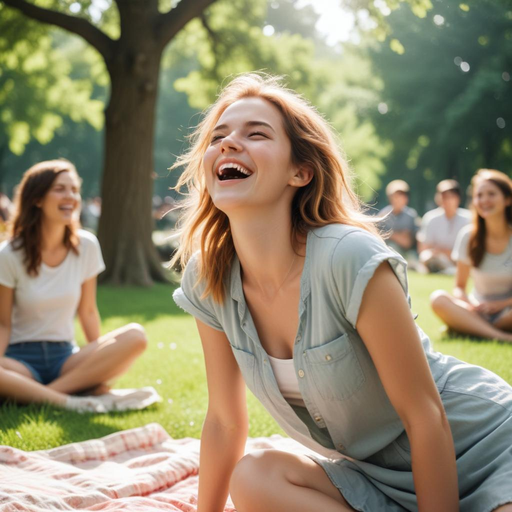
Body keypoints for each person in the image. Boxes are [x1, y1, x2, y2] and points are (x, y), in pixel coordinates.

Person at [171, 74, 512, 512]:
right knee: (254, 476)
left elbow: (425, 414)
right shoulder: (208, 276)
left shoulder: (346, 256)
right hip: (375, 476)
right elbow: (223, 420)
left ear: (301, 171)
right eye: (218, 136)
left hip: (482, 447)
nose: (228, 143)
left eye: (256, 133)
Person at [0, 160, 148, 412]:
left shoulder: (87, 246)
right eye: (60, 189)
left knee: (136, 336)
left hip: (65, 358)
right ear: (37, 199)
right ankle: (71, 399)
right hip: (20, 360)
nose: (70, 196)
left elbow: (88, 312)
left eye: (74, 189)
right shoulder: (9, 254)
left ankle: (43, 395)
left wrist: (100, 361)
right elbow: (3, 323)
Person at [431, 169, 512, 343]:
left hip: (508, 312)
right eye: (479, 195)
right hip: (477, 310)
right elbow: (459, 286)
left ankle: (468, 327)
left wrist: (501, 304)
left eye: (491, 194)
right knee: (438, 298)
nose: (484, 200)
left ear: (507, 199)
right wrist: (469, 305)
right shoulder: (468, 236)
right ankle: (502, 336)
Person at [417, 179, 471, 274]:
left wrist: (445, 252)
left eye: (450, 196)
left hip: (462, 260)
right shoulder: (430, 218)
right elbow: (424, 249)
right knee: (426, 257)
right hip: (439, 260)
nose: (446, 200)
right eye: (443, 196)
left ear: (458, 198)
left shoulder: (468, 218)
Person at [377, 180, 419, 259]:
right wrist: (398, 235)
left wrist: (390, 234)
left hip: (407, 253)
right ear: (390, 198)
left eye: (402, 195)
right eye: (396, 196)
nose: (399, 199)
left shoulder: (411, 215)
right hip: (387, 251)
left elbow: (408, 242)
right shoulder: (383, 215)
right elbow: (379, 238)